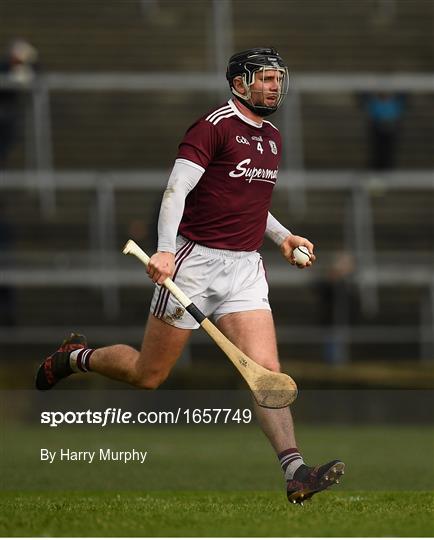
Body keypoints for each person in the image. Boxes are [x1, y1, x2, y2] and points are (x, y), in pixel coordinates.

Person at [36, 48, 345, 504]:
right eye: (265, 79)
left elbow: (246, 201)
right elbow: (176, 189)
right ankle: (75, 357)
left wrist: (280, 236)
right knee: (148, 374)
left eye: (279, 79)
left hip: (244, 270)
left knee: (267, 374)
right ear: (239, 83)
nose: (275, 86)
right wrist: (163, 252)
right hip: (195, 263)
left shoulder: (273, 138)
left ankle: (295, 473)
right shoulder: (212, 127)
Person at [0, 38, 38, 167]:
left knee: (5, 146)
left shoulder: (28, 69)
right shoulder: (4, 67)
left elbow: (37, 75)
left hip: (9, 116)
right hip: (4, 113)